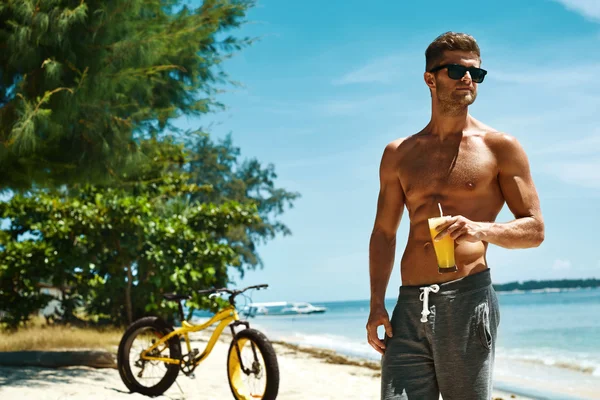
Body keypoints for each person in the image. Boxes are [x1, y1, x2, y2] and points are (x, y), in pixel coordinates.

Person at [366, 31, 545, 400]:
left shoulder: (500, 147)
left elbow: (534, 229)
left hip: (467, 301)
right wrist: (376, 304)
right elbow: (384, 233)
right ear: (430, 78)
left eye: (475, 74)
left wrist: (478, 229)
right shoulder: (398, 153)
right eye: (456, 70)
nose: (467, 79)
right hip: (408, 306)